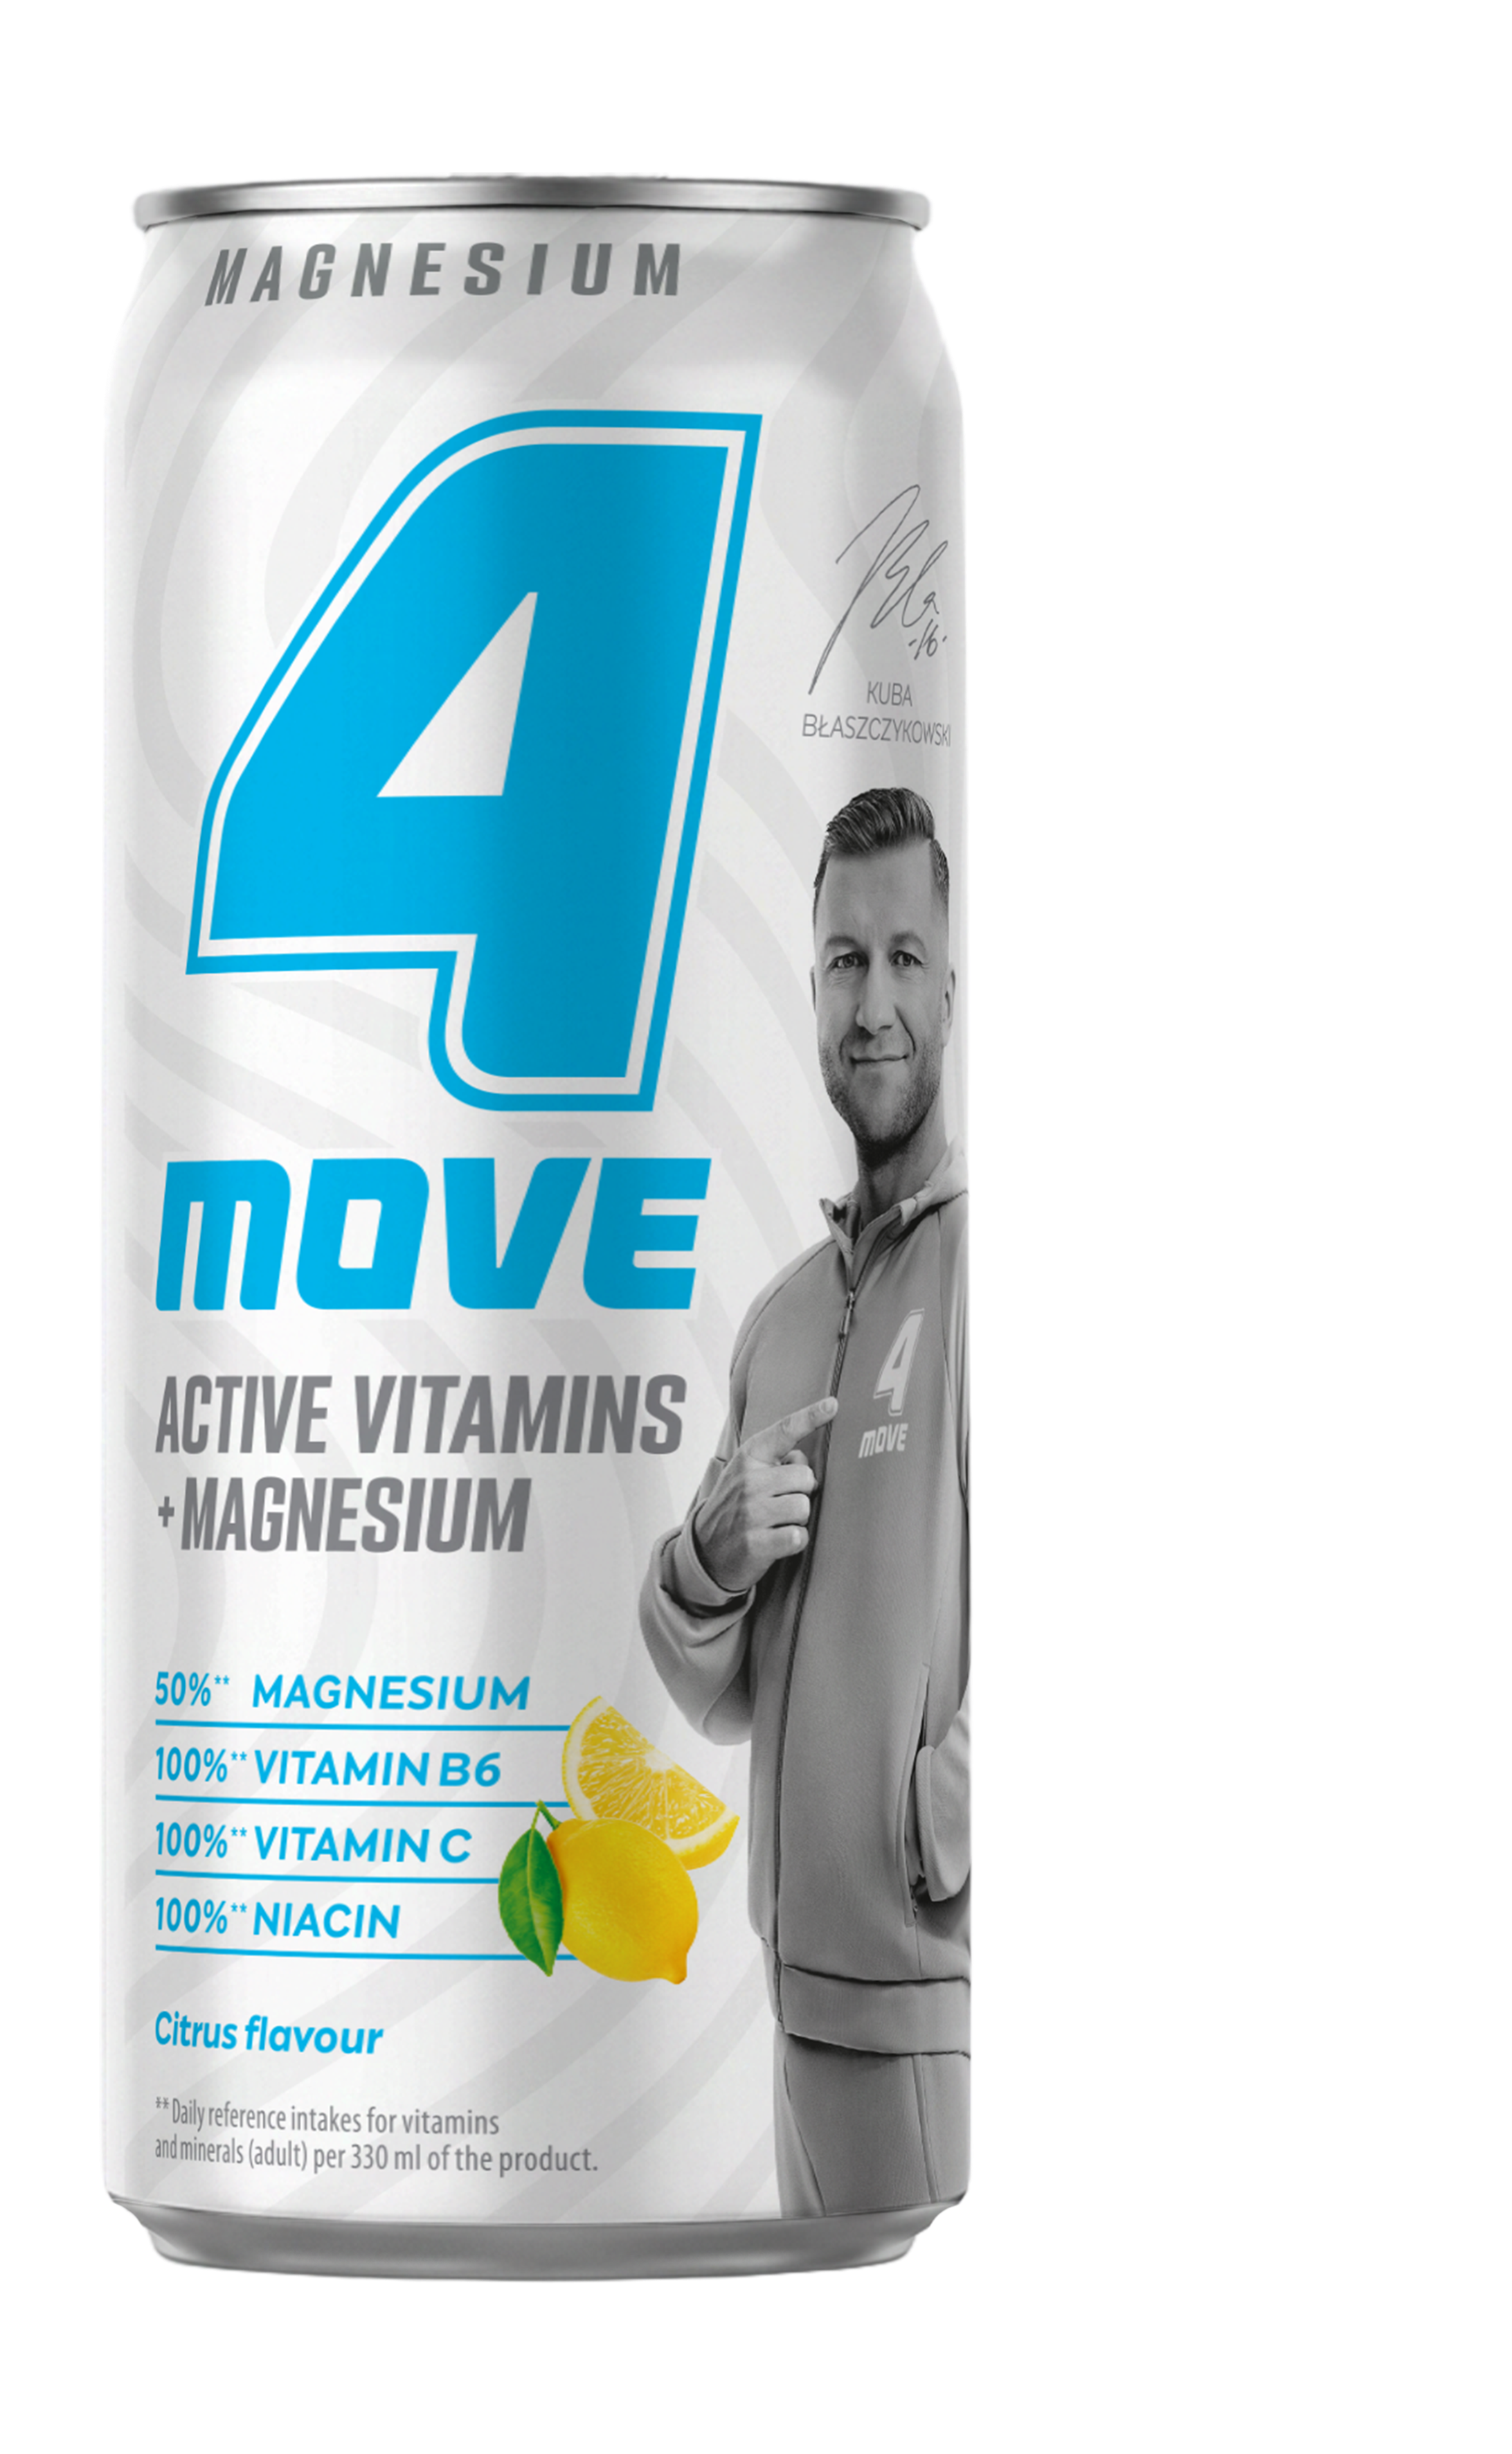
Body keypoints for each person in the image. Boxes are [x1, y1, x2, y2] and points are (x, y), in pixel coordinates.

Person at [639, 785, 972, 2219]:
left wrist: (934, 1831)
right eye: (845, 960)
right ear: (812, 987)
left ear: (950, 987)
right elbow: (722, 1700)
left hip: (924, 2004)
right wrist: (704, 1563)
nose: (873, 1002)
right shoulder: (776, 1320)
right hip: (787, 1997)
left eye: (905, 958)